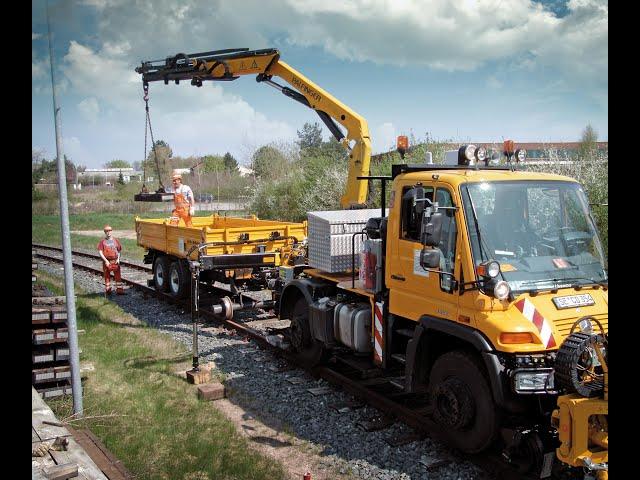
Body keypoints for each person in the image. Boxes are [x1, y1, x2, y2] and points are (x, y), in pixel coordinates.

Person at [97, 225, 125, 295]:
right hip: (107, 262)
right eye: (106, 231)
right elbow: (100, 252)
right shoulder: (102, 242)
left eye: (109, 231)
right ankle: (108, 290)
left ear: (111, 231)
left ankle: (119, 290)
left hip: (115, 261)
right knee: (107, 276)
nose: (108, 232)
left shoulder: (116, 241)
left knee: (118, 276)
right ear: (105, 232)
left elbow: (119, 251)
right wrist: (106, 261)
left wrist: (118, 259)